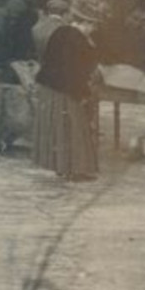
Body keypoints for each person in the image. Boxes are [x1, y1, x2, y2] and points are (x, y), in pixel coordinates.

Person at [33, 11, 101, 180]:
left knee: (58, 129)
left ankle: (62, 167)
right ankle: (74, 169)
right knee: (72, 128)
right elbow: (76, 70)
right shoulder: (77, 39)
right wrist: (84, 93)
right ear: (85, 23)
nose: (93, 30)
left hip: (52, 86)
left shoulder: (61, 32)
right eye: (93, 26)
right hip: (66, 89)